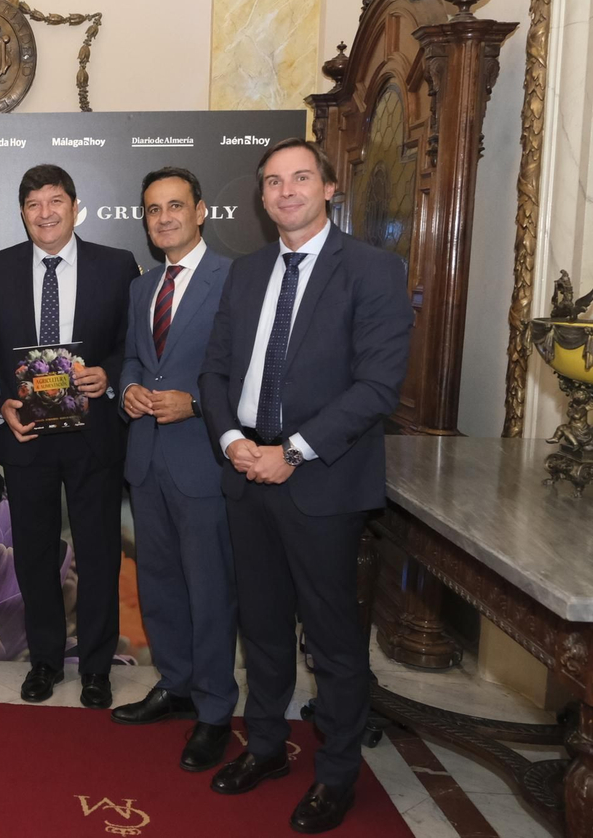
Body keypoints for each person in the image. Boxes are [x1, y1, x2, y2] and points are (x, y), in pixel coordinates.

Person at [198, 139, 411, 833]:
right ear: (261, 198)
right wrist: (234, 442)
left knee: (332, 639)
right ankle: (265, 745)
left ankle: (338, 773)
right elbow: (216, 371)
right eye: (272, 182)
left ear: (327, 186)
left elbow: (377, 386)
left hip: (321, 478)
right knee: (258, 625)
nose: (286, 191)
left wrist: (290, 450)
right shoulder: (249, 271)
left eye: (299, 178)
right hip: (246, 472)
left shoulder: (374, 270)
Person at [0, 164, 138, 709]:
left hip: (93, 435)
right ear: (22, 213)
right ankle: (44, 661)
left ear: (74, 205)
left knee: (97, 556)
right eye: (33, 204)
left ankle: (96, 669)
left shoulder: (117, 267)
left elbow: (131, 343)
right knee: (34, 557)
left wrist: (109, 374)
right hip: (28, 437)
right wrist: (3, 400)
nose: (45, 213)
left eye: (55, 201)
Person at [110, 167, 237, 773]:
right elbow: (136, 356)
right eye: (154, 209)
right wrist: (129, 387)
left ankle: (215, 710)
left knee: (209, 587)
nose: (164, 218)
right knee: (158, 582)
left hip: (202, 460)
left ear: (201, 210)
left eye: (175, 207)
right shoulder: (144, 287)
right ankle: (176, 684)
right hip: (147, 457)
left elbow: (251, 371)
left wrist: (197, 404)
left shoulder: (233, 278)